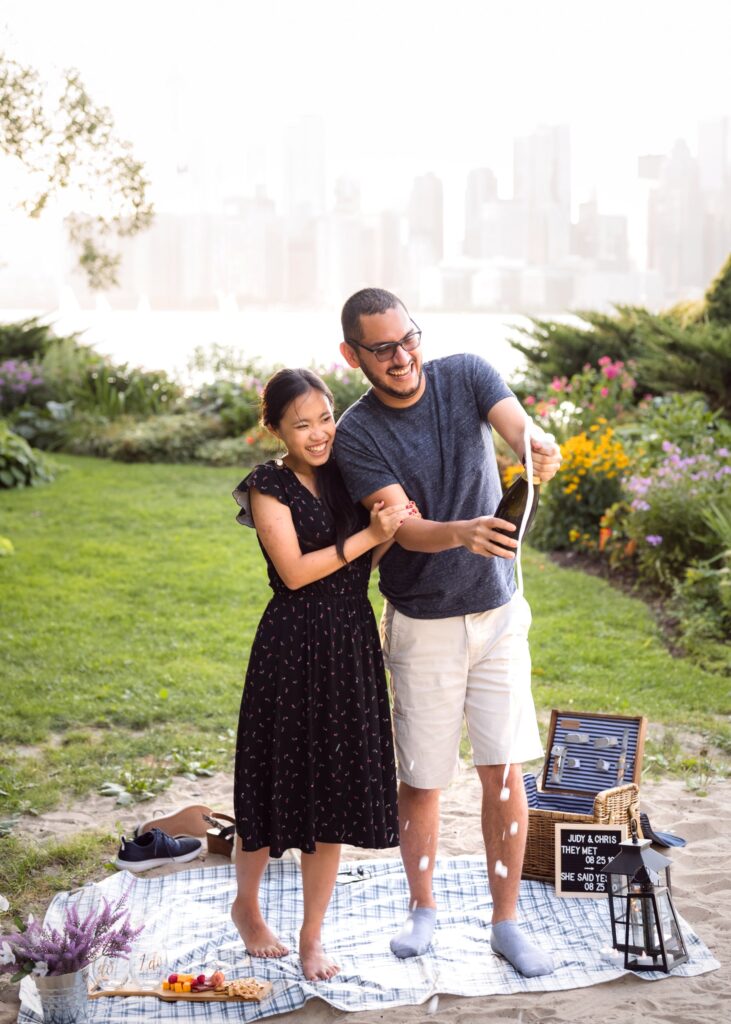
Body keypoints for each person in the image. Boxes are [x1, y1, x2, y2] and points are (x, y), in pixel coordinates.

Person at [333, 288, 562, 978]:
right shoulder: (357, 433)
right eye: (382, 348)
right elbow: (397, 524)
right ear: (352, 356)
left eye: (409, 338)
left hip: (497, 616)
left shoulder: (465, 374)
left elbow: (515, 423)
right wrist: (462, 531)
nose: (403, 356)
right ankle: (422, 909)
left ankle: (505, 922)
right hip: (421, 623)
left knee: (503, 770)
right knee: (425, 778)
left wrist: (534, 443)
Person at [230, 368, 416, 982]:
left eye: (324, 418)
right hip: (291, 645)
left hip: (348, 642)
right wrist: (371, 534)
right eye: (301, 424)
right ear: (276, 429)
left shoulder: (345, 472)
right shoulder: (267, 487)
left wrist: (389, 529)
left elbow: (367, 556)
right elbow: (294, 572)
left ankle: (313, 936)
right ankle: (248, 909)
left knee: (332, 793)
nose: (318, 434)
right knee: (272, 784)